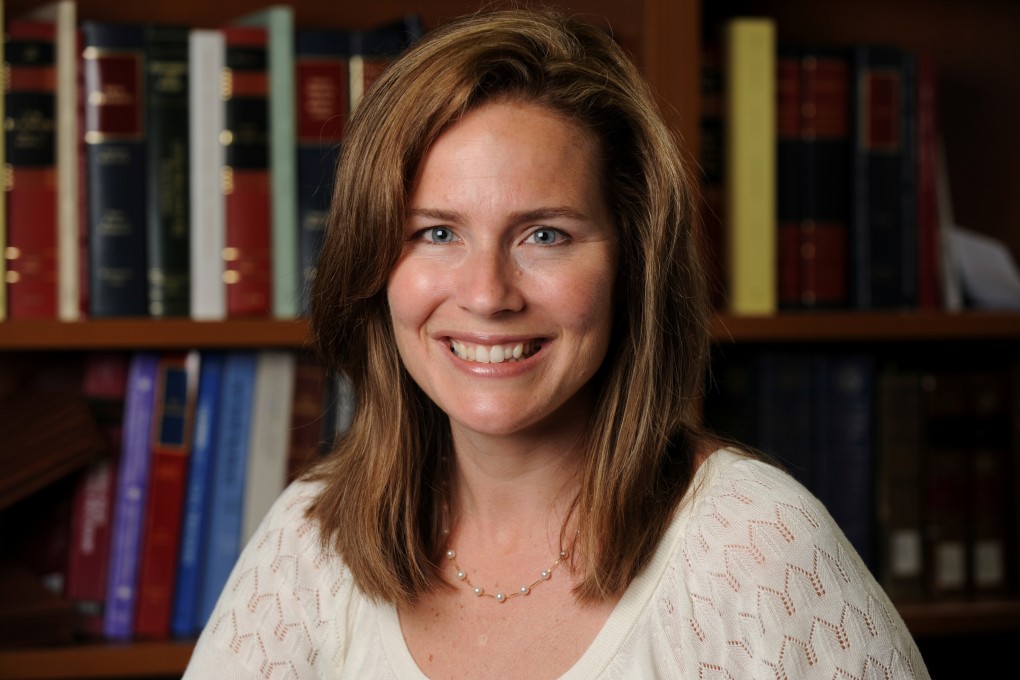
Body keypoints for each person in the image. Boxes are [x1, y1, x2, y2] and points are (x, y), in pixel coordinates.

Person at [183, 7, 930, 679]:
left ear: (630, 262)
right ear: (375, 263)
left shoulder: (758, 551)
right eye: (436, 232)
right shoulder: (311, 540)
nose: (486, 294)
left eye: (545, 234)